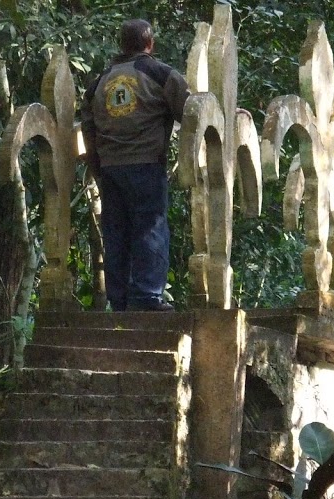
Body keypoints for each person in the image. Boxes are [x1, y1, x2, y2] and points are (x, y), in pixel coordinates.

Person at [81, 19, 190, 312]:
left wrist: (97, 169)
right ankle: (145, 298)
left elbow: (88, 130)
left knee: (116, 233)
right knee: (150, 228)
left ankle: (119, 300)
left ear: (121, 45)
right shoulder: (160, 74)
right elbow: (191, 113)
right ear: (149, 44)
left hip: (110, 169)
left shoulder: (99, 83)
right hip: (145, 164)